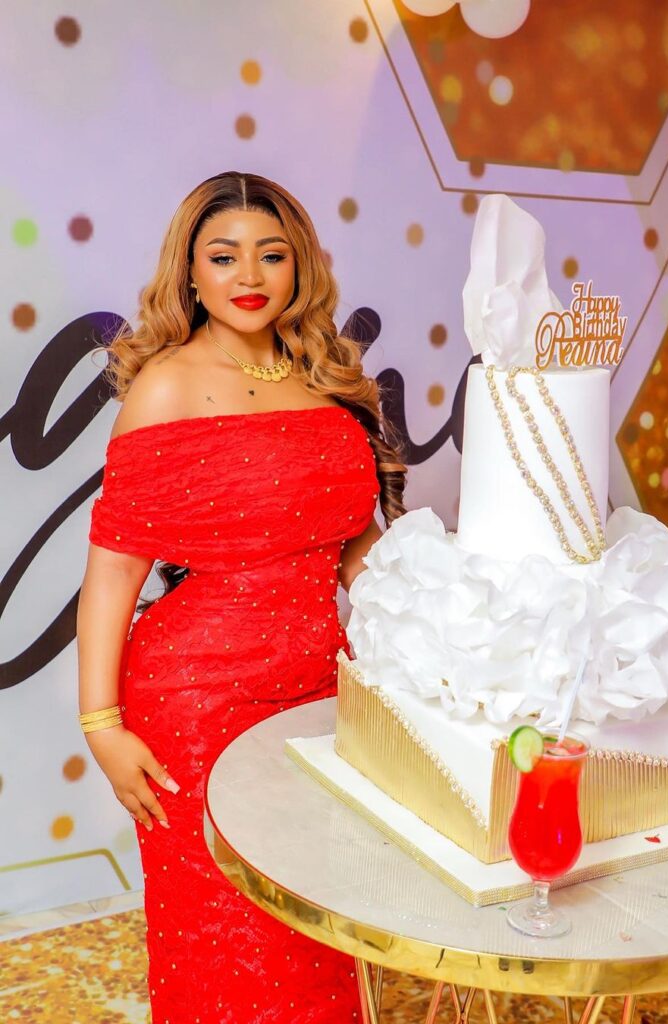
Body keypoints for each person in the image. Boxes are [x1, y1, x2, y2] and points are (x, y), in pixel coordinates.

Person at [75, 171, 406, 1023]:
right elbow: (113, 570)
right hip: (196, 702)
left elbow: (352, 548)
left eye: (272, 255)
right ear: (190, 272)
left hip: (323, 691)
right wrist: (102, 728)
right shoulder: (166, 386)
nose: (249, 275)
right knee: (230, 933)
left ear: (301, 267)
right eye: (223, 256)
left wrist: (432, 632)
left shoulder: (326, 376)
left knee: (319, 916)